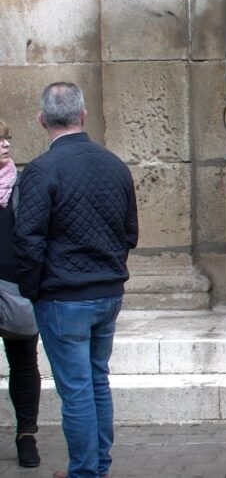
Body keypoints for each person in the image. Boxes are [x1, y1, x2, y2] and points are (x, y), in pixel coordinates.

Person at [14, 82, 138, 478]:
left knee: (78, 390)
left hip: (63, 297)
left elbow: (28, 238)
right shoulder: (114, 164)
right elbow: (130, 233)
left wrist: (32, 290)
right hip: (106, 290)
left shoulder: (41, 170)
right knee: (95, 381)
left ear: (41, 120)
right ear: (83, 116)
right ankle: (96, 466)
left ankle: (86, 471)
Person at [0, 120, 41, 468]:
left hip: (18, 285)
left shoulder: (24, 183)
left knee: (24, 363)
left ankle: (26, 434)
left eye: (6, 138)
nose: (4, 145)